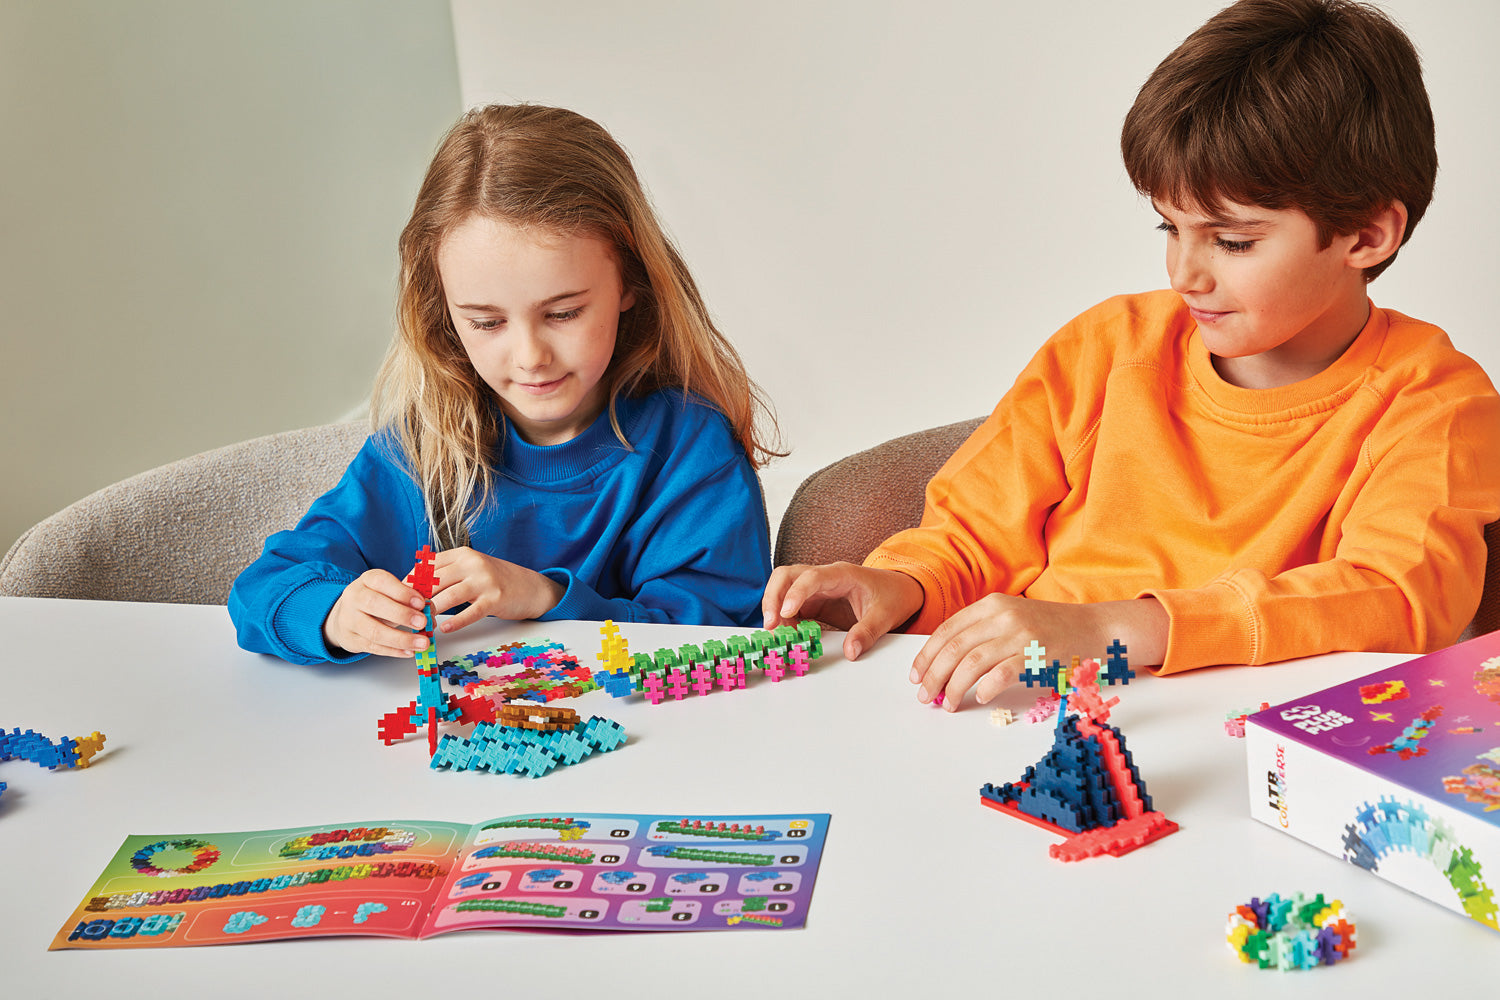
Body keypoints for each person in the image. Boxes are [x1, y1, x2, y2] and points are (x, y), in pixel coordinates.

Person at [764, 0, 1500, 710]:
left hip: (1230, 748)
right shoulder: (1106, 347)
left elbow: (1395, 598)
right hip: (1028, 715)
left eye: (1232, 241)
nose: (1184, 274)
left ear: (1367, 235)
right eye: (1169, 228)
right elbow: (971, 533)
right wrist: (902, 584)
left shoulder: (1435, 403)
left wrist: (1115, 627)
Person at [231, 104, 779, 665]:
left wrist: (543, 598)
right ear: (445, 314)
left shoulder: (690, 450)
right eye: (487, 322)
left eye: (563, 313)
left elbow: (719, 640)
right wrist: (334, 615)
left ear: (629, 283)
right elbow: (262, 589)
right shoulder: (423, 451)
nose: (530, 357)